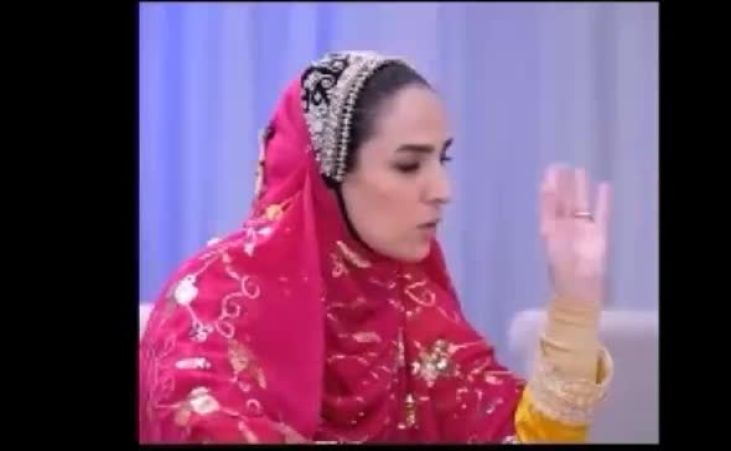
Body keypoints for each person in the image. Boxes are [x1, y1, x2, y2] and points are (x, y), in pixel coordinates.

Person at [138, 50, 613, 444]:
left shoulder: (411, 304)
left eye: (442, 159)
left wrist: (575, 304)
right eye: (409, 165)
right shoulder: (214, 299)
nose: (442, 189)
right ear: (326, 176)